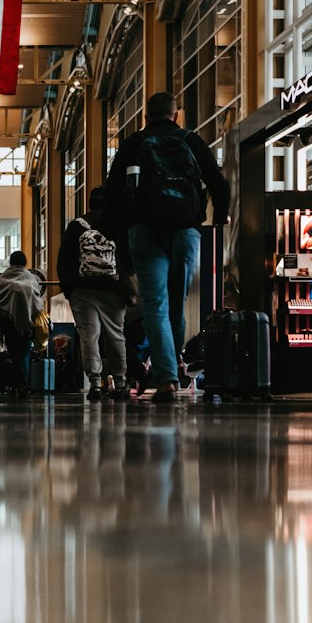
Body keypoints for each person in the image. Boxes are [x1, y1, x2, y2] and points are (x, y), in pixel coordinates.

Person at [103, 91, 230, 403]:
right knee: (176, 304)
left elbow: (112, 190)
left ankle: (167, 378)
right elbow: (219, 182)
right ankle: (170, 370)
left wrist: (120, 230)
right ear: (176, 115)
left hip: (145, 231)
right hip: (186, 231)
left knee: (155, 307)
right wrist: (220, 217)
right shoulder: (191, 140)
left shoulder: (134, 143)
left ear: (146, 117)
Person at [57, 187, 132, 403]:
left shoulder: (77, 226)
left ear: (89, 203)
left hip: (83, 289)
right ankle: (120, 381)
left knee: (89, 336)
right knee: (116, 334)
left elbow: (64, 259)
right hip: (113, 289)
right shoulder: (118, 225)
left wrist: (69, 288)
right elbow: (128, 257)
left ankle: (95, 383)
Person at [0, 251, 46, 397]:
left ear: (10, 262)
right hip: (28, 325)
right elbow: (37, 301)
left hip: (9, 325)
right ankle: (23, 384)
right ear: (24, 262)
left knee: (14, 355)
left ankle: (16, 384)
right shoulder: (30, 278)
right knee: (24, 355)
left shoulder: (3, 278)